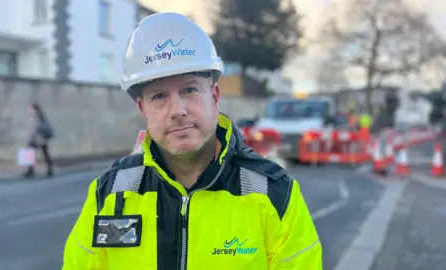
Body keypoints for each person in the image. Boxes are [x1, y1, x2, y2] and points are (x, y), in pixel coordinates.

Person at [62, 12, 322, 269]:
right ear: (143, 109)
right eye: (159, 96)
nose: (177, 110)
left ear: (215, 96)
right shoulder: (110, 195)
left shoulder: (274, 194)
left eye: (189, 90)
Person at [22, 103, 54, 178]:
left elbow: (36, 129)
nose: (30, 110)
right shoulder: (41, 116)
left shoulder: (37, 117)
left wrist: (30, 138)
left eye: (31, 109)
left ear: (34, 109)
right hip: (42, 139)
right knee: (45, 154)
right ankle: (49, 170)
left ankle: (31, 171)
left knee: (29, 152)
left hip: (38, 139)